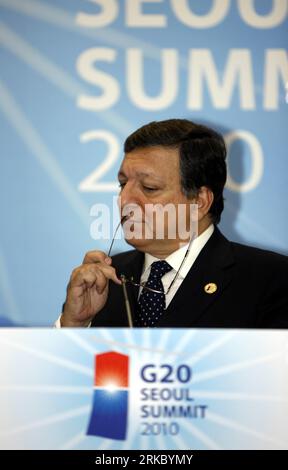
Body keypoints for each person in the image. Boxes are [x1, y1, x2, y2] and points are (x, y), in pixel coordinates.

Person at [58, 119, 288, 328]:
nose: (124, 200)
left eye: (149, 188)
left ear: (199, 202)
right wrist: (75, 323)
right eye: (122, 184)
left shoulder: (271, 279)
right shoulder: (105, 279)